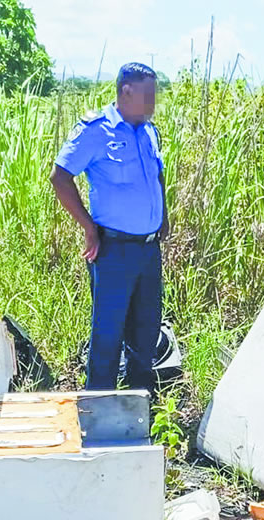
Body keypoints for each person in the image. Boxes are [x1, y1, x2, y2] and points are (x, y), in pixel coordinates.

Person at [50, 62, 168, 391]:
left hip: (148, 250)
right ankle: (99, 411)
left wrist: (164, 218)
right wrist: (88, 227)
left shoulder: (149, 132)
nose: (153, 102)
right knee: (108, 333)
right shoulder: (96, 130)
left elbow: (158, 176)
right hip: (113, 249)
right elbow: (60, 177)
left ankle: (140, 405)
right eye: (148, 94)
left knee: (146, 331)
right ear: (126, 92)